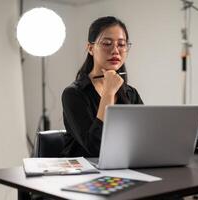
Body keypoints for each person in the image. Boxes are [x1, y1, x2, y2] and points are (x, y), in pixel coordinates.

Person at [61, 16, 143, 157]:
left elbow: (143, 137)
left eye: (122, 44)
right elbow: (96, 148)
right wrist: (108, 93)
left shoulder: (131, 93)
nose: (115, 51)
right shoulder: (73, 94)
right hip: (85, 171)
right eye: (107, 43)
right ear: (90, 48)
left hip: (124, 166)